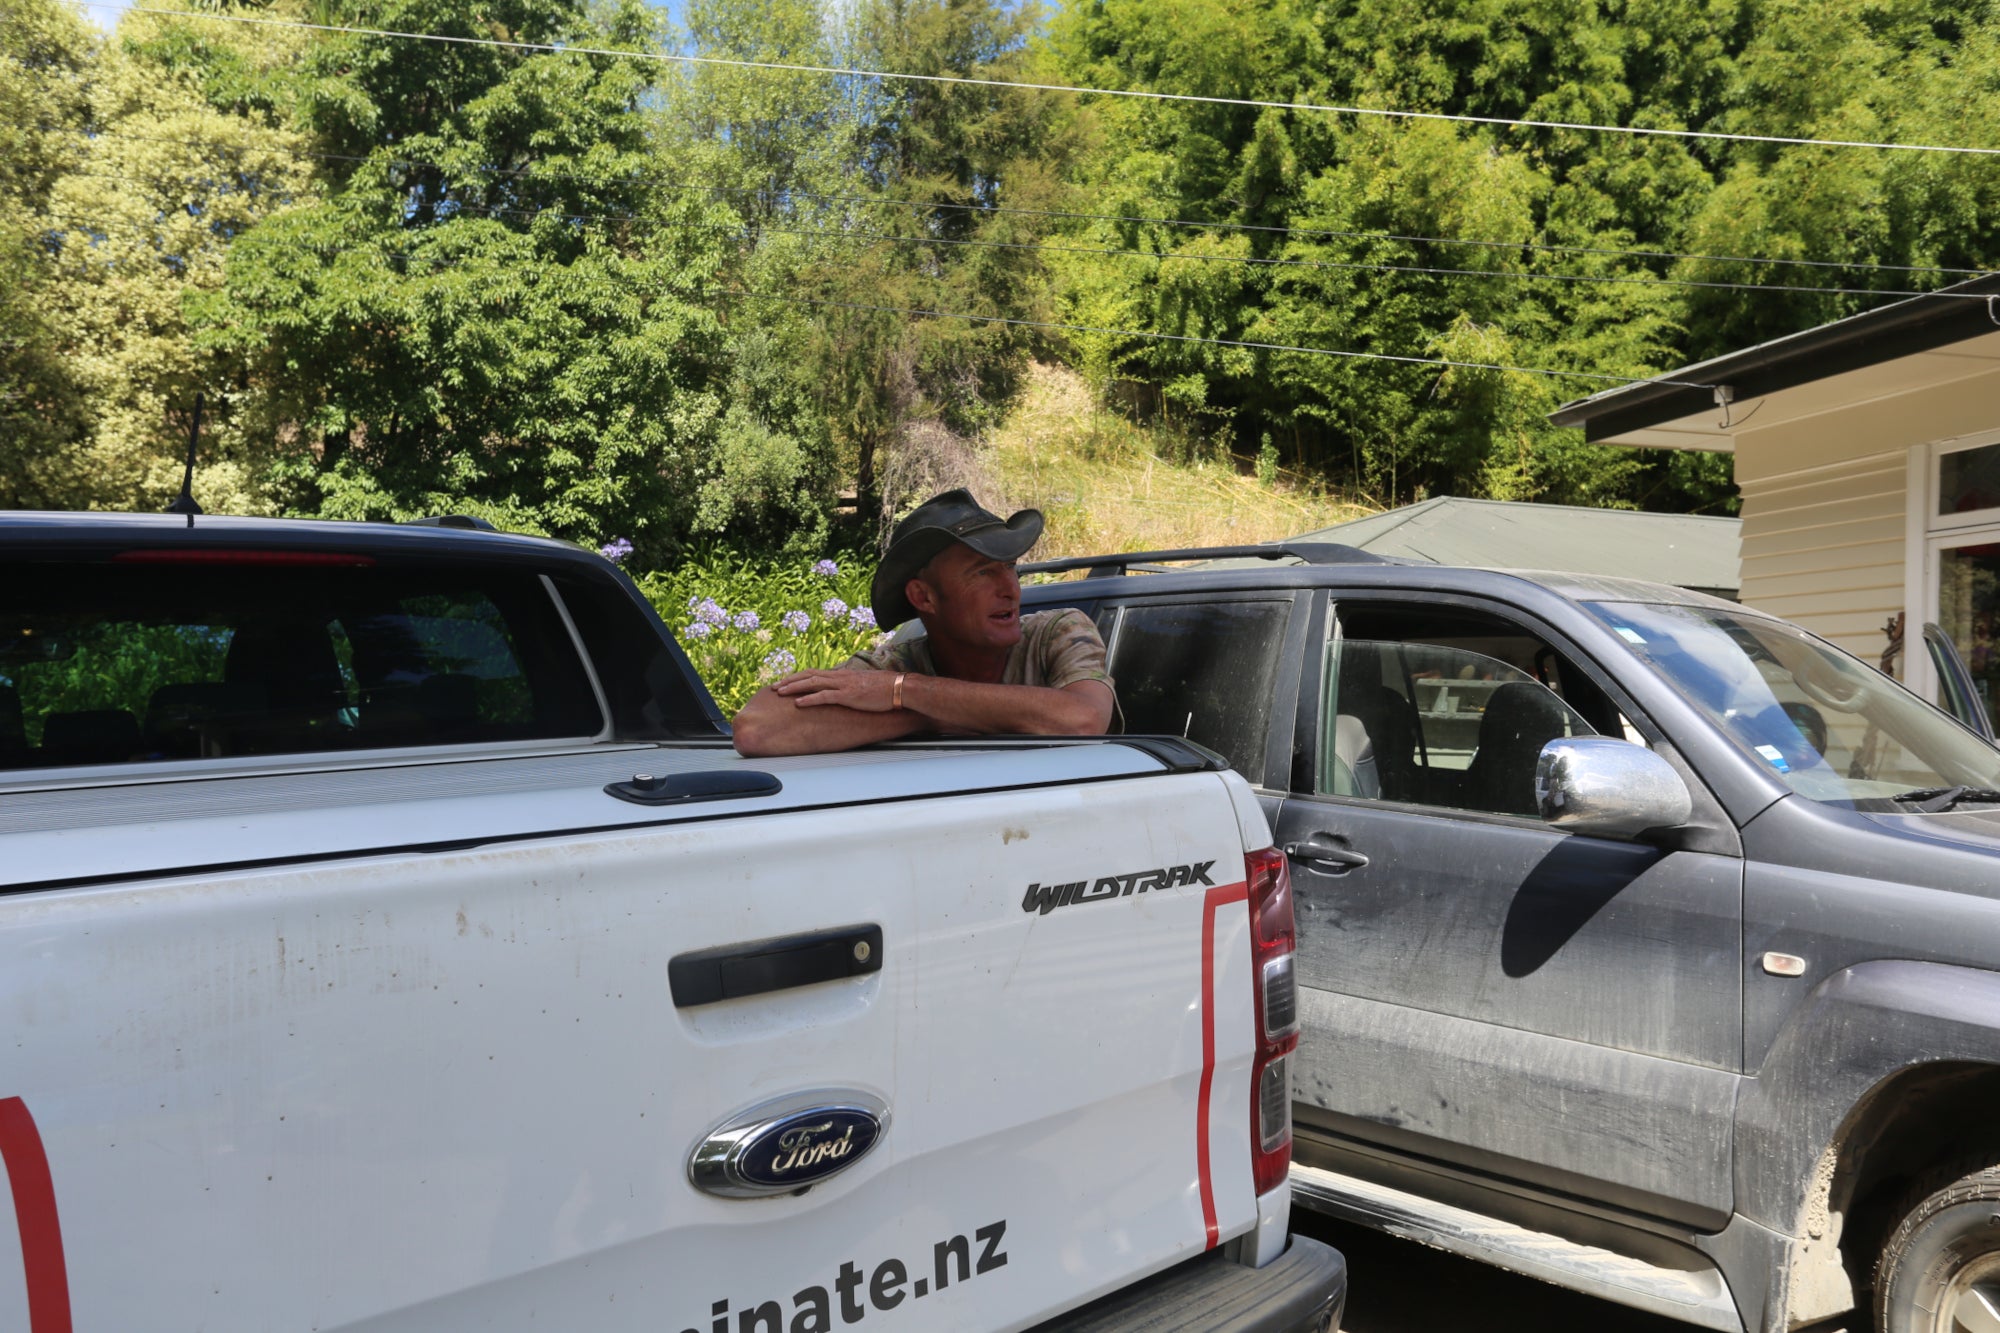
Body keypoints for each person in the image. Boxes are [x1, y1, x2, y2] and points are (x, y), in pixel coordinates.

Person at [731, 489, 1118, 757]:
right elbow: (757, 728)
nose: (1010, 589)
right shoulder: (890, 668)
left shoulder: (1059, 631)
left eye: (1010, 568)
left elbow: (1083, 720)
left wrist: (905, 693)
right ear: (924, 597)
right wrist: (926, 711)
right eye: (982, 573)